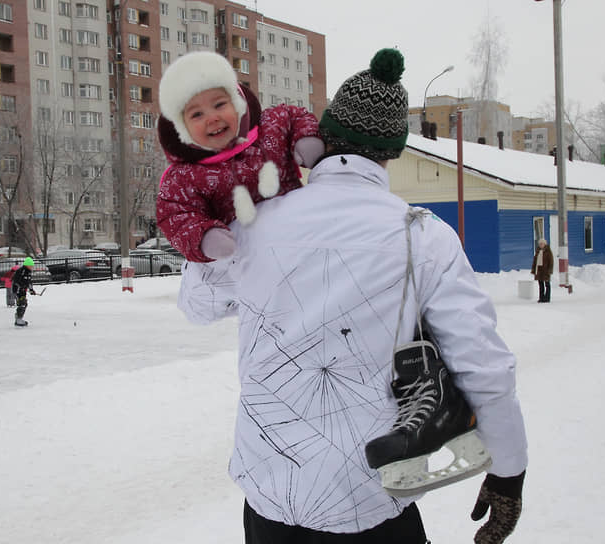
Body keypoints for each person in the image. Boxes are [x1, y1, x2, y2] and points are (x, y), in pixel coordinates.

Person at [176, 49, 528, 544]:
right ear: (392, 151)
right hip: (376, 499)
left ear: (325, 133)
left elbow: (197, 308)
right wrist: (508, 472)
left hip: (271, 499)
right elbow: (483, 365)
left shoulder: (254, 224)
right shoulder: (423, 235)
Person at [156, 51, 324, 263]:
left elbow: (295, 116)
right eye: (197, 115)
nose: (212, 118)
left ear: (237, 103)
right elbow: (176, 215)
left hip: (302, 238)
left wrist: (306, 139)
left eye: (219, 105)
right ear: (182, 128)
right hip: (249, 260)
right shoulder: (185, 177)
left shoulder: (269, 128)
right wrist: (204, 237)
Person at [12, 256, 36, 327]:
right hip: (17, 290)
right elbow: (16, 280)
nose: (32, 267)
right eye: (31, 266)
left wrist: (31, 290)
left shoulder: (29, 272)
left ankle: (19, 317)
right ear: (27, 265)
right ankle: (18, 319)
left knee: (24, 304)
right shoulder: (21, 271)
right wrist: (21, 286)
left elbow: (29, 282)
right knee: (22, 303)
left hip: (23, 291)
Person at [530, 238, 553, 303]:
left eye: (542, 244)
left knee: (547, 284)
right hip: (539, 270)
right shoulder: (538, 251)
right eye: (540, 244)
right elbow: (535, 261)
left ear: (544, 244)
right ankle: (541, 298)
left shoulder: (548, 251)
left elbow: (551, 261)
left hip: (545, 270)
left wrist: (550, 270)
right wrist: (534, 270)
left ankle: (547, 298)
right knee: (541, 285)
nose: (540, 245)